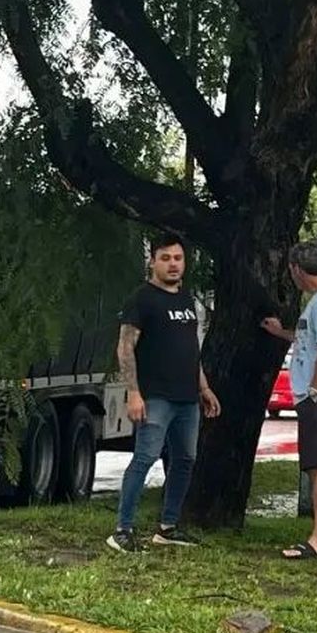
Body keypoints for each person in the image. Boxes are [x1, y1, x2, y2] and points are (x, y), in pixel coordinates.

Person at [107, 235, 221, 553]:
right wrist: (133, 392)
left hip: (187, 398)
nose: (173, 264)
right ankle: (122, 530)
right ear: (153, 262)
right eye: (166, 258)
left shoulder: (186, 300)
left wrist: (204, 388)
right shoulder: (142, 299)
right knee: (144, 458)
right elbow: (125, 346)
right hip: (155, 396)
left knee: (185, 460)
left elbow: (191, 350)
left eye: (178, 258)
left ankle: (168, 527)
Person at [262, 241, 317, 559]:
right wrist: (280, 332)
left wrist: (314, 390)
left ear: (298, 269)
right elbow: (308, 340)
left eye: (292, 270)